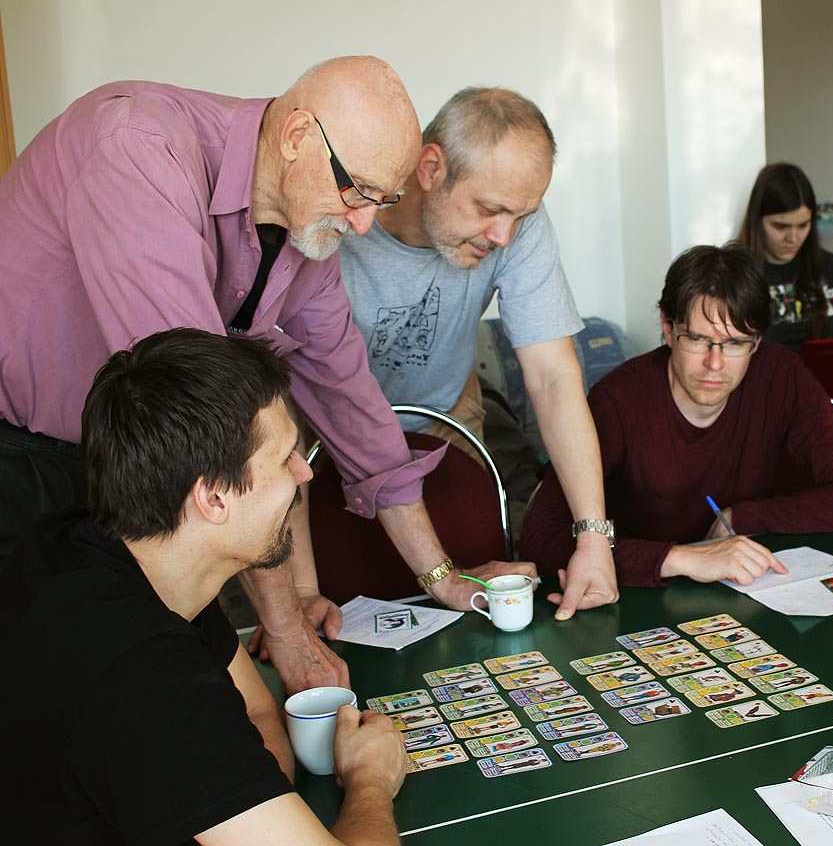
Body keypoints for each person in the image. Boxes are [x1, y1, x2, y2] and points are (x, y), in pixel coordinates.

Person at [0, 56, 532, 697]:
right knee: (42, 705)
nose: (364, 223)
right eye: (357, 191)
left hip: (131, 473)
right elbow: (209, 422)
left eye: (383, 200)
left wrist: (441, 577)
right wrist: (286, 628)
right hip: (22, 464)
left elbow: (351, 402)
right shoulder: (139, 150)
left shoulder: (307, 232)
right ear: (298, 136)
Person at [3, 328, 406, 846]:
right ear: (213, 498)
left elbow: (258, 712)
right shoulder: (144, 676)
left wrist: (239, 802)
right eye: (285, 457)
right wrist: (370, 780)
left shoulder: (118, 552)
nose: (303, 475)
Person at [336, 86, 616, 620]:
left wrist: (594, 537)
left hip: (446, 409)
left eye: (521, 215)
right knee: (345, 582)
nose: (504, 236)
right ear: (431, 168)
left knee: (467, 581)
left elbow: (554, 378)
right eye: (488, 210)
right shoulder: (344, 217)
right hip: (324, 418)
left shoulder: (514, 219)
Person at [519, 244, 833, 587]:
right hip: (634, 598)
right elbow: (539, 540)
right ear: (668, 329)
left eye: (735, 343)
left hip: (743, 592)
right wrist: (682, 558)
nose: (715, 364)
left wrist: (746, 517)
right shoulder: (617, 402)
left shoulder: (780, 376)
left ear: (757, 343)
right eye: (697, 339)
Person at [737, 163, 833, 352]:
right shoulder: (735, 274)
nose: (793, 238)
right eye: (781, 226)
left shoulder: (831, 267)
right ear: (757, 220)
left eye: (803, 225)